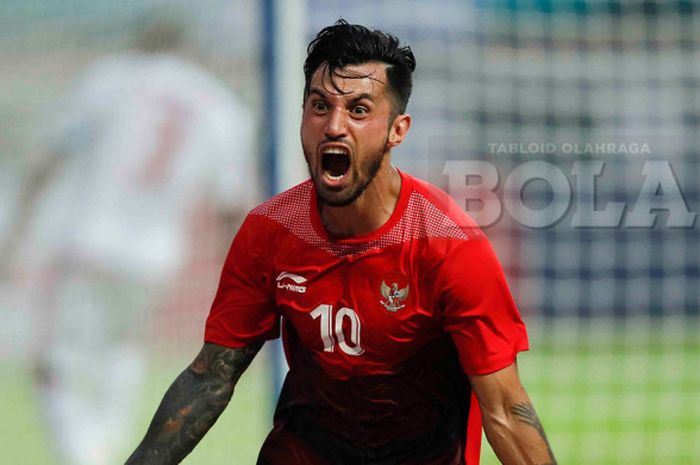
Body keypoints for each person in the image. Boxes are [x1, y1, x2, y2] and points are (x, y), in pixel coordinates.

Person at [126, 20, 556, 465]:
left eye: (359, 110)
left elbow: (505, 409)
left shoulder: (448, 244)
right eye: (318, 105)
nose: (333, 125)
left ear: (397, 130)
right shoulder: (270, 231)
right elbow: (210, 378)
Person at [2, 20, 257, 465]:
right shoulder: (220, 106)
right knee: (122, 347)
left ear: (143, 41)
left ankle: (86, 453)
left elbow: (51, 157)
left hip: (86, 245)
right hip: (155, 260)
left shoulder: (112, 79)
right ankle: (110, 444)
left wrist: (17, 231)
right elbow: (232, 206)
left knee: (51, 359)